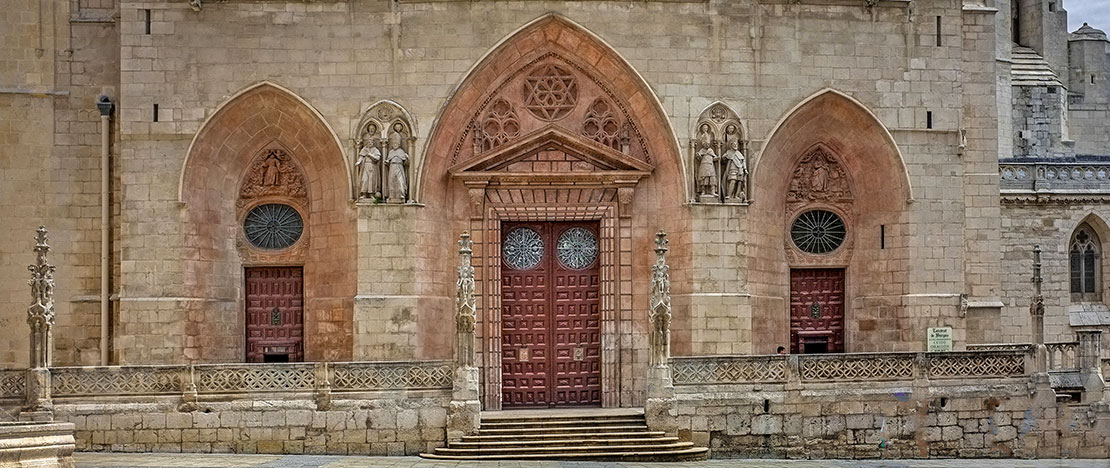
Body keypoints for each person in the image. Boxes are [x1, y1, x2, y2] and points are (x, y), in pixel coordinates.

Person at [385, 124, 409, 203]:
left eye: (396, 143)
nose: (395, 145)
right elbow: (388, 160)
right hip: (392, 167)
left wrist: (407, 158)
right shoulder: (391, 152)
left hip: (399, 167)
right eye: (393, 143)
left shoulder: (401, 151)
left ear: (399, 144)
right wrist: (387, 162)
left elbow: (406, 163)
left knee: (400, 181)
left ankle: (401, 195)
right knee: (392, 181)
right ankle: (391, 196)